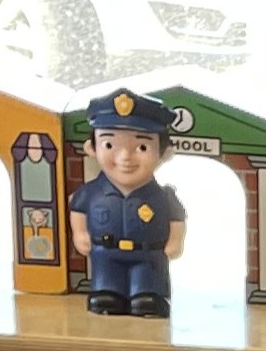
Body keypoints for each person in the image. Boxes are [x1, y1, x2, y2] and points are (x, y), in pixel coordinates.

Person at [67, 89, 188, 317]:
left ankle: (147, 295)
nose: (125, 158)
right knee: (106, 288)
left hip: (148, 257)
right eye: (110, 146)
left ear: (164, 152)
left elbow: (176, 218)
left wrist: (175, 242)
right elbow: (78, 210)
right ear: (91, 148)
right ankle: (107, 293)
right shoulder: (91, 192)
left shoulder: (162, 196)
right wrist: (80, 234)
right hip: (106, 254)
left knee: (146, 293)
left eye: (142, 147)